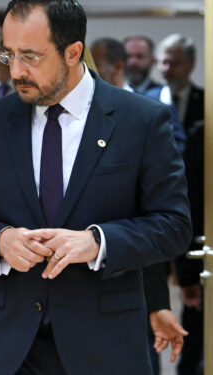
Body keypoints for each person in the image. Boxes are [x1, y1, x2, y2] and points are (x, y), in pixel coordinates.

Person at [0, 1, 192, 374]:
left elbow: (174, 226)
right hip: (8, 345)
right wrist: (0, 242)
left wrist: (98, 242)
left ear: (73, 52)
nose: (15, 71)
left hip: (103, 343)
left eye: (30, 56)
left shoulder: (140, 120)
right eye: (9, 54)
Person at [91, 36, 189, 374]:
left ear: (116, 69)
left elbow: (165, 196)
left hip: (138, 262)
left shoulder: (151, 113)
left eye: (95, 66)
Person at [156, 33, 206, 375]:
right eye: (163, 60)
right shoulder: (148, 100)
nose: (166, 68)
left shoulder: (207, 103)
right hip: (158, 213)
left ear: (190, 64)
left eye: (174, 61)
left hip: (196, 215)